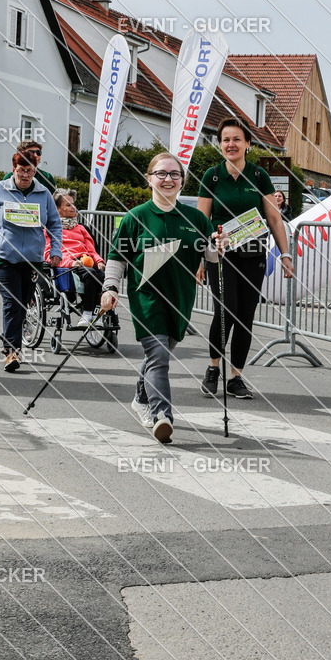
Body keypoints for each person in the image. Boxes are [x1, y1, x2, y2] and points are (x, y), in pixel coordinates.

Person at [100, 152, 217, 444]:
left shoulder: (196, 219)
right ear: (149, 178)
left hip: (181, 299)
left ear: (182, 181)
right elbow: (117, 257)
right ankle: (162, 415)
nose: (168, 179)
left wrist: (219, 247)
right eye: (161, 173)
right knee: (159, 355)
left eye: (174, 174)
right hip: (147, 298)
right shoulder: (135, 217)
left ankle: (140, 399)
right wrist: (110, 288)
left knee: (158, 356)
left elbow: (211, 257)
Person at [197, 118, 294, 400]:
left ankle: (236, 377)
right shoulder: (212, 176)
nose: (231, 144)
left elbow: (274, 218)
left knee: (245, 317)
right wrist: (200, 259)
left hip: (253, 256)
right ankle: (213, 368)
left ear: (248, 144)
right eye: (226, 139)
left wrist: (285, 254)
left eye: (237, 139)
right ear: (220, 144)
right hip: (220, 255)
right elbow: (202, 221)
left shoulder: (260, 176)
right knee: (225, 310)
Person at [0, 152, 62, 372]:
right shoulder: (1, 189)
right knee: (13, 303)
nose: (26, 175)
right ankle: (11, 351)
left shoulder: (44, 193)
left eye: (30, 171)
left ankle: (10, 342)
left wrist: (55, 250)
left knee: (24, 304)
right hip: (5, 259)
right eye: (21, 171)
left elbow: (55, 225)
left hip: (32, 260)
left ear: (35, 171)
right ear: (14, 170)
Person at [44, 189, 106, 327]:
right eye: (68, 205)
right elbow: (48, 254)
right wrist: (71, 262)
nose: (73, 208)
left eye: (73, 204)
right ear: (58, 208)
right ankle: (87, 313)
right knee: (91, 274)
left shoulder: (81, 228)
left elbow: (91, 250)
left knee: (103, 275)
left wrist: (100, 261)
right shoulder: (49, 229)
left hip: (86, 260)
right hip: (67, 265)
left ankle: (97, 313)